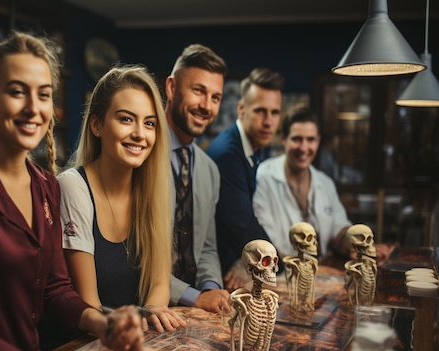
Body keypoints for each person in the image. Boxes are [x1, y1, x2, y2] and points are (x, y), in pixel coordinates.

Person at [0, 31, 144, 351]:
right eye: (16, 92)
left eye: (43, 95)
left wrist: (103, 323)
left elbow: (55, 289)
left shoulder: (46, 186)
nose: (32, 108)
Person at [58, 64, 185, 333]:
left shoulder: (153, 190)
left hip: (133, 338)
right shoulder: (73, 186)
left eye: (149, 123)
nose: (140, 133)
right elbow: (88, 304)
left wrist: (152, 313)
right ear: (97, 125)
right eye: (126, 119)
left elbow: (160, 283)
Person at [253, 108, 396, 261]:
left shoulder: (325, 183)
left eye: (310, 140)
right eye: (296, 139)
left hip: (321, 273)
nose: (304, 148)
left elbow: (339, 229)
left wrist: (359, 243)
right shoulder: (263, 177)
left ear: (318, 140)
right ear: (283, 139)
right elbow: (263, 239)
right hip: (280, 273)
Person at [163, 44, 231, 313]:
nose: (206, 106)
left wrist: (211, 288)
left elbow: (207, 247)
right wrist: (193, 297)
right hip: (140, 310)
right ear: (171, 87)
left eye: (215, 98)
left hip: (192, 315)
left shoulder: (209, 169)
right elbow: (129, 253)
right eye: (198, 91)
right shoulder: (139, 154)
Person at [206, 67, 285, 290]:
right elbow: (243, 226)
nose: (268, 121)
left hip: (234, 266)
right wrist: (282, 261)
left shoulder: (252, 145)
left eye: (275, 112)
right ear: (241, 109)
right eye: (260, 111)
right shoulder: (228, 154)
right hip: (216, 277)